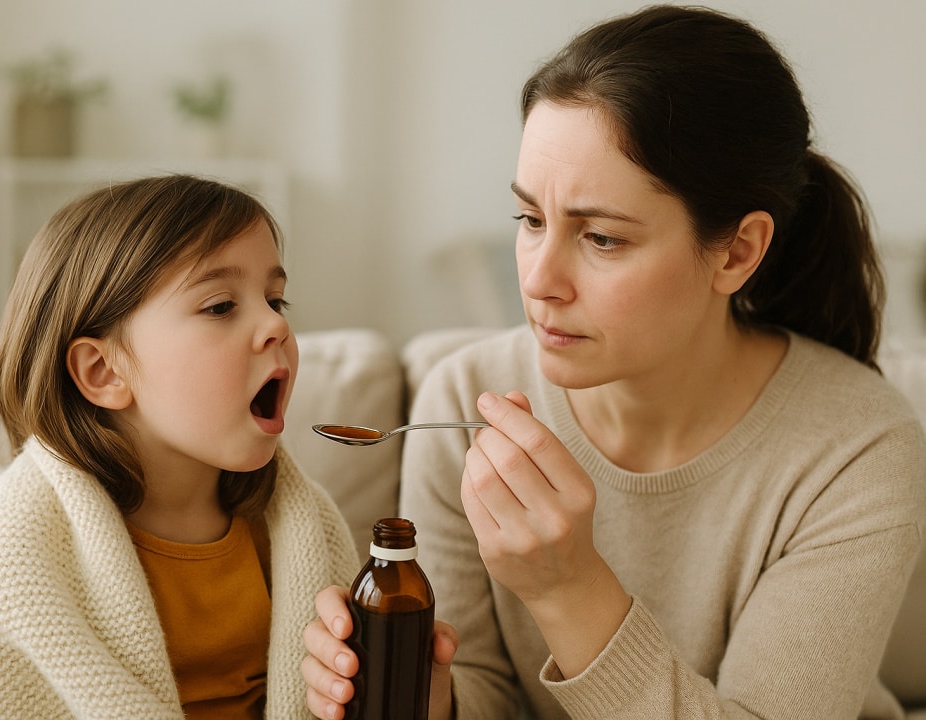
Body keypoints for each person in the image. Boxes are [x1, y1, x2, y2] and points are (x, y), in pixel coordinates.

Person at [302, 5, 926, 719]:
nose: (538, 281)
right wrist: (418, 692)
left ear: (738, 251)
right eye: (531, 221)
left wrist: (569, 590)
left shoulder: (856, 447)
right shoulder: (465, 399)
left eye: (601, 238)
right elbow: (480, 693)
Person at [0, 174, 359, 719]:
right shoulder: (20, 545)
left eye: (276, 300)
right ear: (103, 371)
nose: (274, 327)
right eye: (220, 306)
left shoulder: (297, 525)